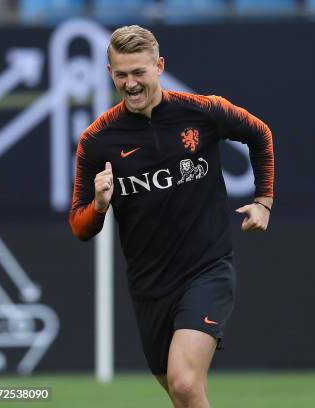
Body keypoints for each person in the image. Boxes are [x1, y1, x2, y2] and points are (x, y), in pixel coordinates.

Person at [69, 25, 274, 408]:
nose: (130, 83)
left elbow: (260, 134)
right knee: (184, 394)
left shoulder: (202, 111)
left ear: (159, 66)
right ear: (110, 73)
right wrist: (98, 205)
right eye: (120, 74)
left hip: (206, 269)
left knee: (183, 383)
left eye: (139, 72)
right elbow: (80, 226)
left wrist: (264, 201)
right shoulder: (98, 140)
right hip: (149, 285)